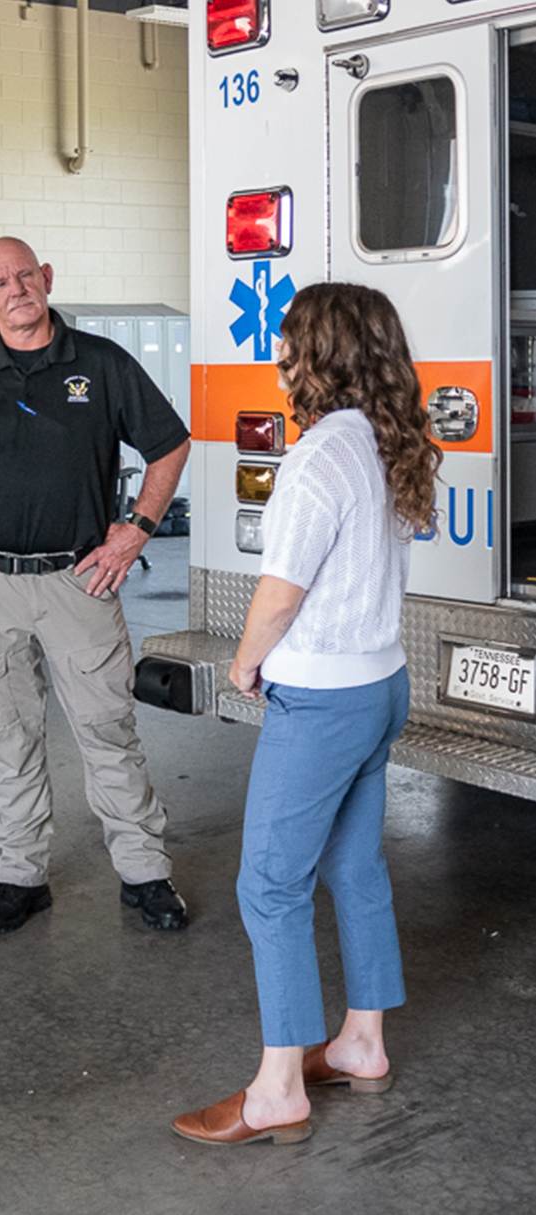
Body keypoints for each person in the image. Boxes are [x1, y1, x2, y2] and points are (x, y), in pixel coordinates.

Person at [173, 283, 442, 1146]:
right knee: (353, 866)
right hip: (381, 684)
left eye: (288, 343)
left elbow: (279, 592)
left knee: (269, 884)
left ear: (318, 353)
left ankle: (277, 1088)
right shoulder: (388, 439)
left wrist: (244, 663)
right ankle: (361, 1041)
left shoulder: (319, 454)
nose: (278, 356)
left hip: (323, 696)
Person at [0, 236, 192, 934]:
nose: (15, 289)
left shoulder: (100, 364)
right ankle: (19, 875)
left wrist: (136, 529)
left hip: (78, 580)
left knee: (106, 728)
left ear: (46, 278)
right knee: (3, 736)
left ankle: (144, 872)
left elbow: (169, 443)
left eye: (25, 275)